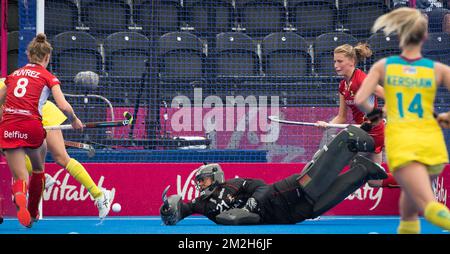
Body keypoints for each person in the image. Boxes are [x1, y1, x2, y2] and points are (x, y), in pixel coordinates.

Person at [160, 125, 388, 225]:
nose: (201, 185)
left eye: (204, 180)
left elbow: (261, 186)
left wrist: (250, 204)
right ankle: (363, 170)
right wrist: (171, 210)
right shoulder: (204, 205)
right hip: (288, 216)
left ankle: (347, 140)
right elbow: (185, 207)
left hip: (282, 194)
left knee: (315, 180)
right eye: (200, 182)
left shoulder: (233, 184)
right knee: (328, 199)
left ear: (216, 177)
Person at [355, 7, 450, 233]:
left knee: (428, 205)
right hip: (432, 143)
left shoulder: (383, 66)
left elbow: (360, 99)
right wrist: (445, 118)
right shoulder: (438, 69)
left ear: (400, 36)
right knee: (409, 204)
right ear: (424, 37)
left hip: (404, 142)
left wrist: (378, 115)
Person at [0, 33, 83, 227]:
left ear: (28, 55)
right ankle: (33, 211)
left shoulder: (13, 75)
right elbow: (63, 105)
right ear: (47, 58)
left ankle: (19, 195)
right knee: (38, 169)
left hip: (9, 126)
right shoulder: (49, 77)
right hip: (32, 127)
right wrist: (75, 120)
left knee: (20, 176)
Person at [316, 43, 398, 188]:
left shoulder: (362, 80)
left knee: (332, 155)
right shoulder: (343, 85)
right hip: (361, 132)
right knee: (374, 181)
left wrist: (374, 120)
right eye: (334, 61)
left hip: (372, 133)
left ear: (352, 61)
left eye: (340, 61)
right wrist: (327, 125)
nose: (336, 65)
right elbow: (341, 117)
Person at [24, 100, 114, 220]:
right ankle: (41, 179)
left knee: (61, 158)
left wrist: (74, 119)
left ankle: (99, 194)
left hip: (43, 114)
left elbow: (62, 104)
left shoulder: (4, 83)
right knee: (13, 153)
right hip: (20, 119)